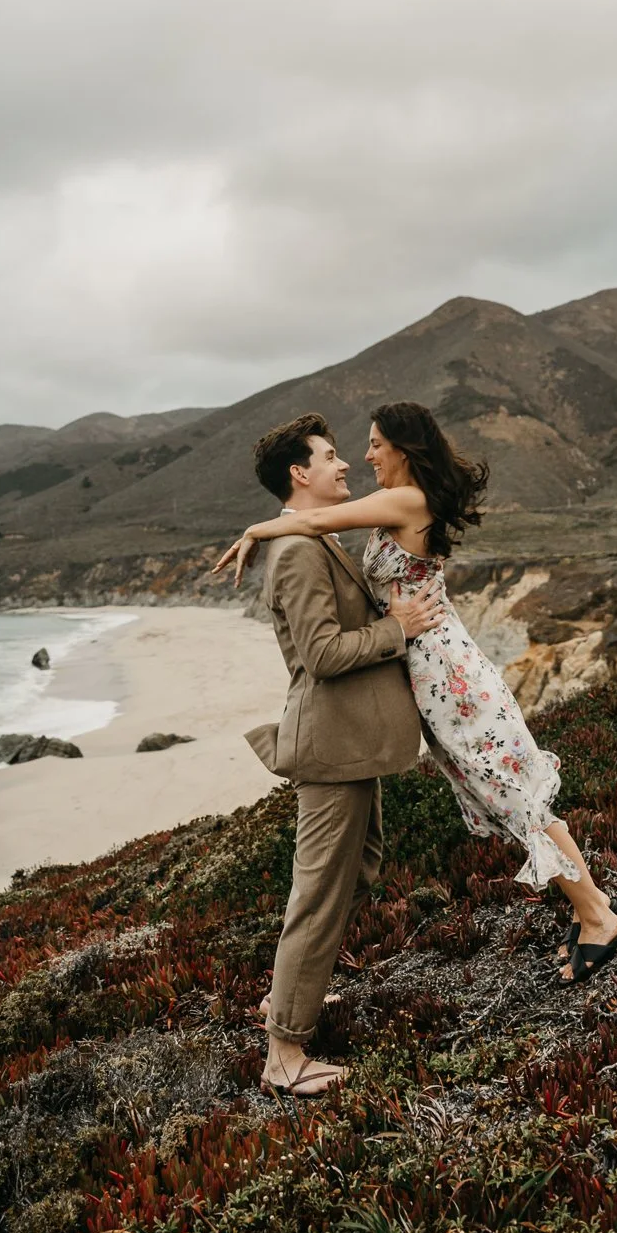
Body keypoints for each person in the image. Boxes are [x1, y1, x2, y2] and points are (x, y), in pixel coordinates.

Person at [216, 401, 617, 986]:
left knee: (513, 792)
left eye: (376, 445)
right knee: (500, 793)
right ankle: (594, 910)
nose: (366, 456)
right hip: (429, 674)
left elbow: (310, 523)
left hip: (447, 672)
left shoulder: (407, 501)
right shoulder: (398, 505)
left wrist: (258, 528)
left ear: (404, 450)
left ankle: (597, 917)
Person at [234, 413, 445, 1098]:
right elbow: (322, 656)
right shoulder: (297, 554)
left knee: (358, 874)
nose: (344, 464)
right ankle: (283, 1054)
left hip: (355, 746)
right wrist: (396, 629)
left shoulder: (313, 541)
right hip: (330, 746)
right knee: (320, 896)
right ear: (300, 473)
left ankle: (288, 996)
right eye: (329, 457)